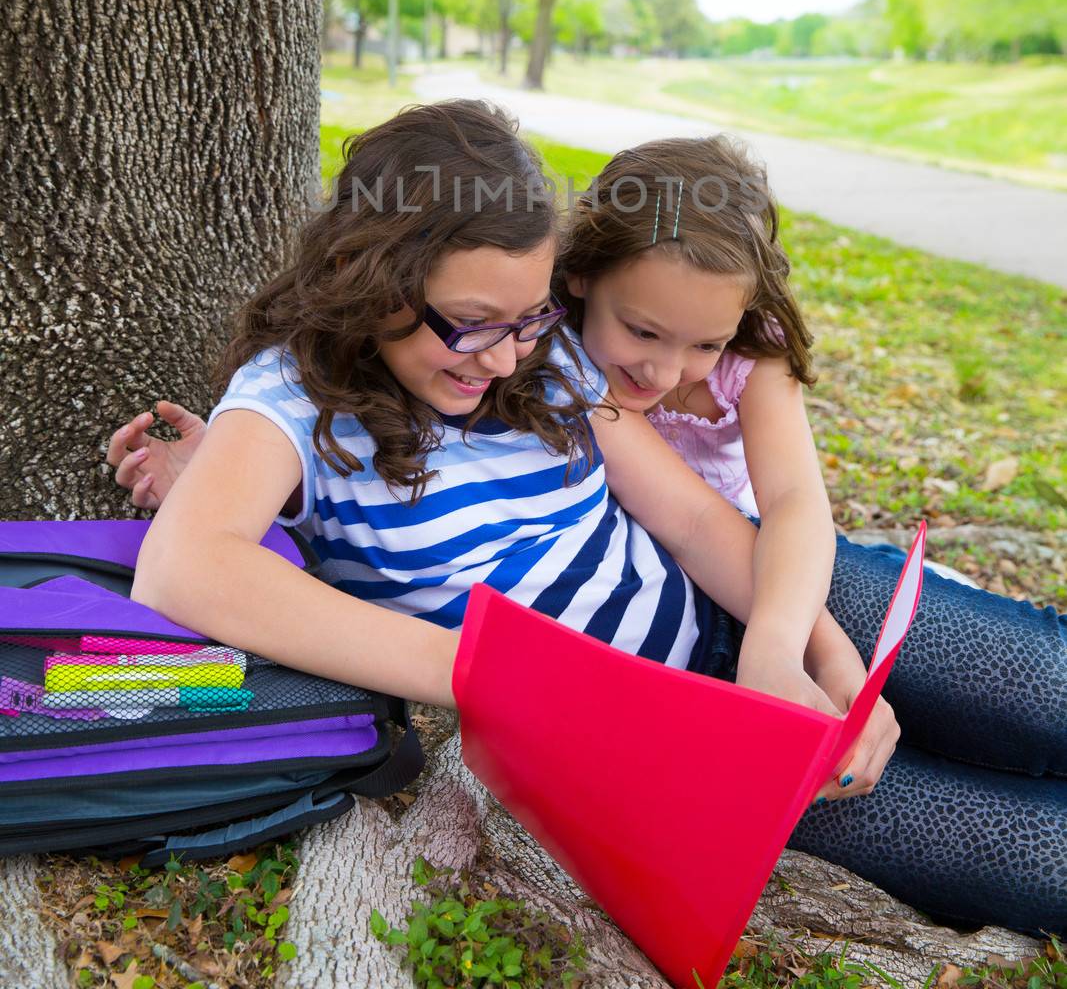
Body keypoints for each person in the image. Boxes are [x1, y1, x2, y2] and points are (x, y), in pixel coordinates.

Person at [114, 104, 1066, 937]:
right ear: (374, 281)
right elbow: (188, 566)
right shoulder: (287, 398)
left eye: (530, 319)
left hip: (750, 603)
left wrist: (813, 649)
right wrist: (499, 676)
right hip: (670, 744)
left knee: (1046, 692)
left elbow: (693, 523)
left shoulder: (542, 358)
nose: (505, 357)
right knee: (1038, 862)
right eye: (475, 322)